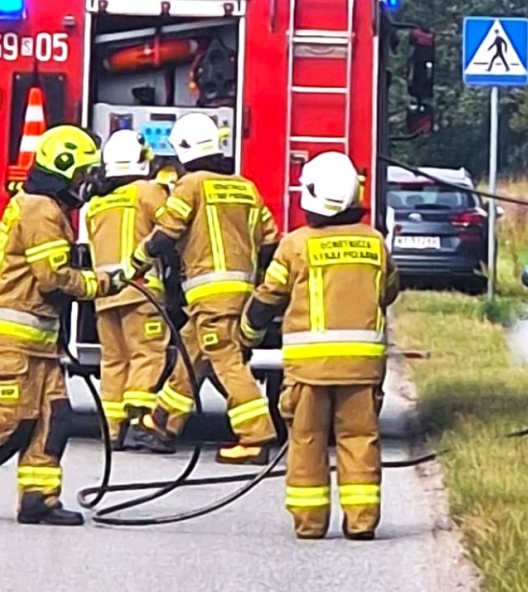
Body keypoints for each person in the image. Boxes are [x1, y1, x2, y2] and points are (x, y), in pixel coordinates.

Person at [0, 124, 128, 525]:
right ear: (62, 170)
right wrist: (103, 283)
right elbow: (53, 277)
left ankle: (39, 498)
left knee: (54, 415)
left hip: (36, 340)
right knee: (14, 416)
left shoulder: (47, 206)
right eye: (82, 174)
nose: (86, 183)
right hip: (11, 338)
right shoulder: (40, 210)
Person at [238, 151, 399, 540]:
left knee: (307, 441)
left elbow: (267, 299)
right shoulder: (375, 243)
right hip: (362, 370)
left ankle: (310, 523)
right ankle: (361, 520)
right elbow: (389, 291)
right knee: (359, 439)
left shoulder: (296, 245)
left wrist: (246, 336)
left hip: (308, 372)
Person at [126, 113, 279, 465]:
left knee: (226, 361)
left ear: (182, 150)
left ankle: (255, 436)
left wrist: (134, 264)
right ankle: (161, 423)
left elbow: (167, 233)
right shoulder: (245, 187)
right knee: (191, 353)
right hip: (241, 292)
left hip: (210, 294)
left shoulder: (191, 185)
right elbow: (270, 240)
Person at [85, 130, 172, 453]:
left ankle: (112, 429)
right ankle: (139, 422)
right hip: (142, 291)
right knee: (146, 353)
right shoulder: (148, 192)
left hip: (105, 295)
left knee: (114, 360)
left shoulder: (96, 204)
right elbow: (172, 229)